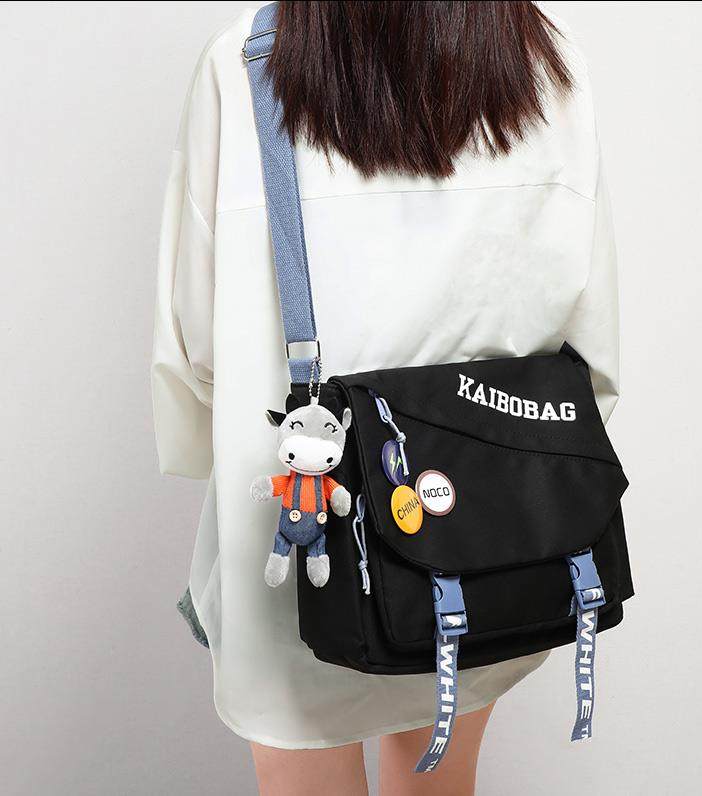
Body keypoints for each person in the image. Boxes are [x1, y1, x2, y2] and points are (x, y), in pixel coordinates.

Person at [152, 2, 619, 793]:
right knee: (439, 767)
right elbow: (590, 335)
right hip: (483, 524)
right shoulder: (546, 53)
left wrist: (217, 436)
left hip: (298, 524)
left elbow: (195, 342)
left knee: (303, 754)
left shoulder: (246, 60)